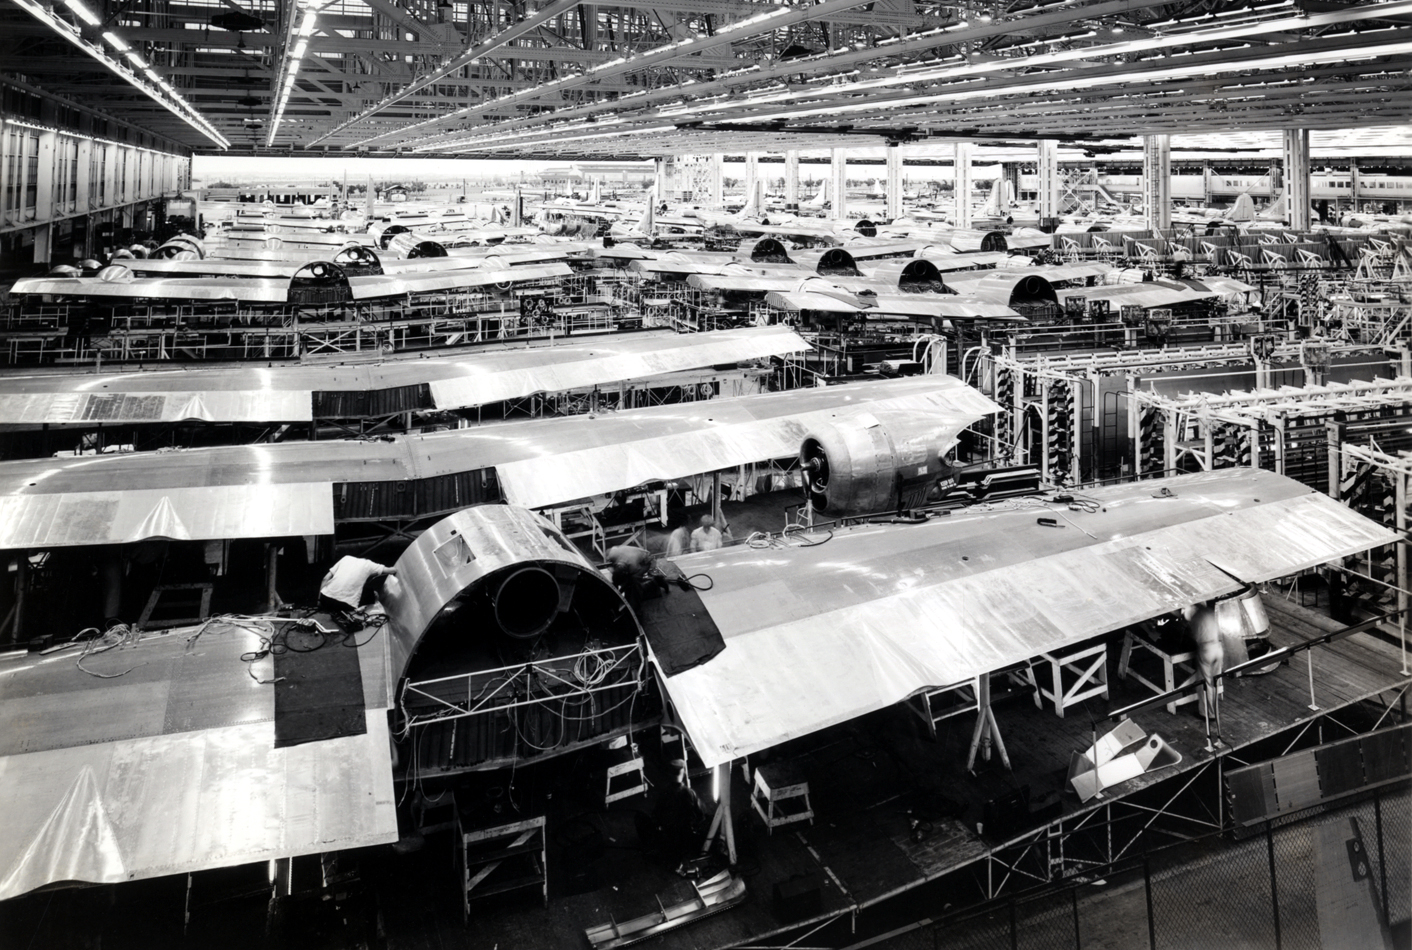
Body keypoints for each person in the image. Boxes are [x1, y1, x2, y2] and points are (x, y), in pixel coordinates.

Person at [635, 758, 708, 864]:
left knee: (639, 816)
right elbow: (701, 815)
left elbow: (656, 815)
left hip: (667, 837)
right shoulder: (690, 793)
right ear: (683, 772)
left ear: (669, 773)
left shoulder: (663, 792)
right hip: (686, 838)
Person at [1183, 602, 1223, 720]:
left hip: (1206, 650)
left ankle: (1207, 714)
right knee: (1215, 681)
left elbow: (1195, 637)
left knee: (1205, 683)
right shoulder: (1210, 612)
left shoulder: (1196, 618)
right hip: (1218, 647)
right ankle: (1214, 710)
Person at [319, 556, 396, 613]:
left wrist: (319, 600)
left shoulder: (346, 558)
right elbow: (392, 570)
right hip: (345, 605)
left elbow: (325, 579)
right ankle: (362, 610)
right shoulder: (369, 564)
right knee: (374, 594)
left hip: (325, 599)